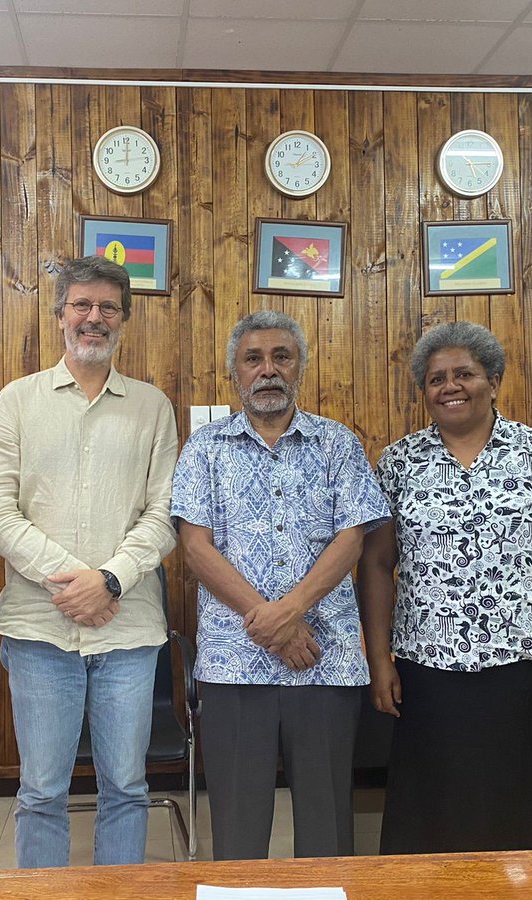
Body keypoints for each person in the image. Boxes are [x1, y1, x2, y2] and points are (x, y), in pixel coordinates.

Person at [359, 320, 532, 854]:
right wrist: (380, 660)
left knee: (530, 825)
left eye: (464, 374)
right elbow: (376, 567)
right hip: (429, 676)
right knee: (435, 823)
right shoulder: (399, 462)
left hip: (527, 675)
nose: (450, 386)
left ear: (493, 380)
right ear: (424, 391)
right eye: (435, 378)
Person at [0, 255, 178, 868]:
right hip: (41, 627)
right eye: (82, 306)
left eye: (108, 308)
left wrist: (110, 580)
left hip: (129, 630)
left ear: (124, 319)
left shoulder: (152, 406)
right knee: (41, 791)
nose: (94, 318)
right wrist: (75, 581)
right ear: (60, 314)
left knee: (127, 787)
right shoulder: (16, 401)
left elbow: (164, 513)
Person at [171, 310, 390, 860]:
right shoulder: (204, 449)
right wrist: (271, 623)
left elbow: (352, 539)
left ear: (300, 368)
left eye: (281, 357)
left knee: (328, 824)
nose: (268, 370)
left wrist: (290, 611)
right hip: (233, 663)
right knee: (239, 828)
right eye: (253, 359)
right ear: (235, 374)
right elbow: (196, 547)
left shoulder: (337, 444)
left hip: (326, 660)